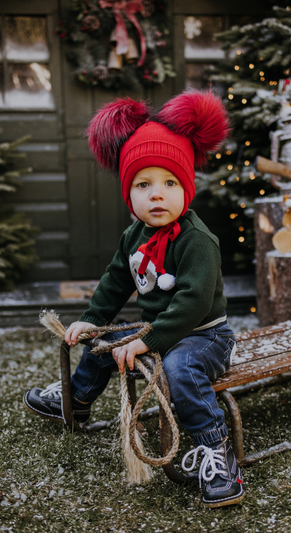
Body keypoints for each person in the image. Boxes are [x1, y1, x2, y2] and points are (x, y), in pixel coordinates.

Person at [23, 90, 244, 508]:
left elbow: (193, 303)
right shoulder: (134, 237)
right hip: (158, 331)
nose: (156, 194)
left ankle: (216, 451)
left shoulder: (197, 241)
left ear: (186, 188)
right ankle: (79, 398)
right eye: (144, 184)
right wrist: (92, 319)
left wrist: (148, 340)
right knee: (108, 342)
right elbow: (114, 282)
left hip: (203, 337)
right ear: (130, 193)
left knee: (180, 369)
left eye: (169, 183)